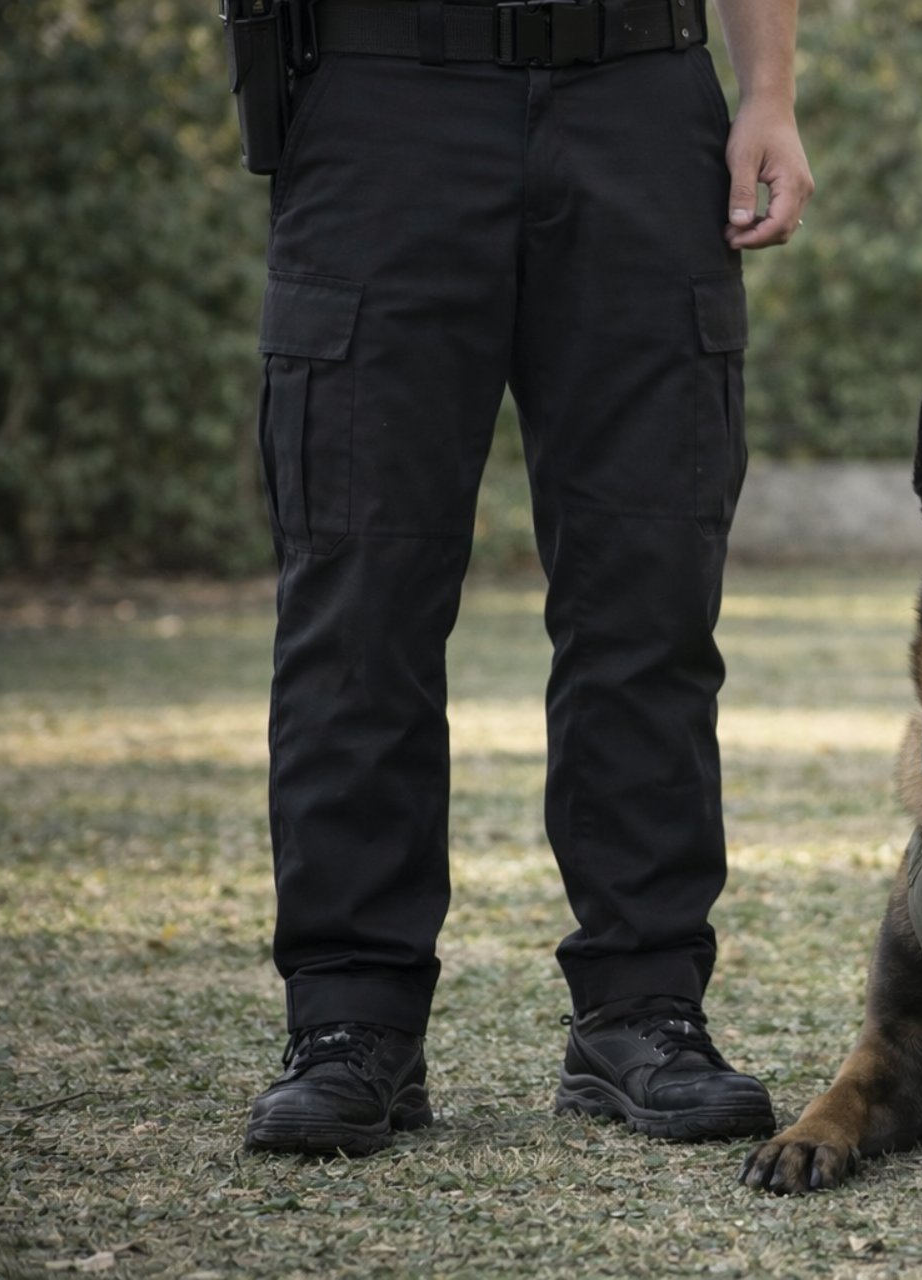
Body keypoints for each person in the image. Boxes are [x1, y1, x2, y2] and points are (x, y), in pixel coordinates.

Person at [239, 0, 813, 1156]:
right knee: (360, 597)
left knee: (647, 590)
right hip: (377, 95)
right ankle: (353, 1018)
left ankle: (642, 1007)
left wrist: (769, 93)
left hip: (640, 92)